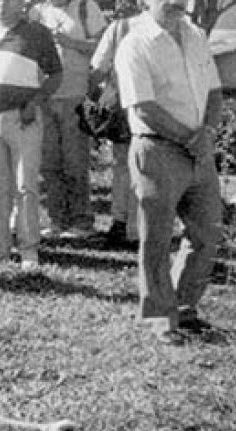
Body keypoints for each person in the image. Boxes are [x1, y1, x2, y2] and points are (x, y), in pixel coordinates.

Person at [115, 0, 223, 345]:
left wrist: (207, 133)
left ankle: (184, 308)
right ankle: (160, 316)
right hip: (157, 149)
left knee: (208, 232)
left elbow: (214, 92)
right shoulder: (135, 43)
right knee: (157, 239)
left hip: (199, 150)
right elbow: (143, 107)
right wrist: (191, 139)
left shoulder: (196, 36)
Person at [0, 0, 62, 272]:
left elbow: (56, 74)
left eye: (7, 0)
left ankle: (29, 248)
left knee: (25, 186)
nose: (0, 5)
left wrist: (36, 100)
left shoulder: (37, 32)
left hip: (22, 118)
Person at [31, 0, 107, 239]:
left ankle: (81, 221)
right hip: (45, 97)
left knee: (75, 161)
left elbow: (103, 47)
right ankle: (57, 219)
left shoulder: (86, 7)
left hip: (75, 96)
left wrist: (70, 43)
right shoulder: (38, 12)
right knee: (50, 163)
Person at [89, 1, 144, 250]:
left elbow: (99, 68)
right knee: (142, 166)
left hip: (124, 103)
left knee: (123, 166)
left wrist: (90, 97)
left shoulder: (119, 28)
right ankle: (134, 227)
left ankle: (122, 224)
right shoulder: (170, 27)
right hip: (150, 105)